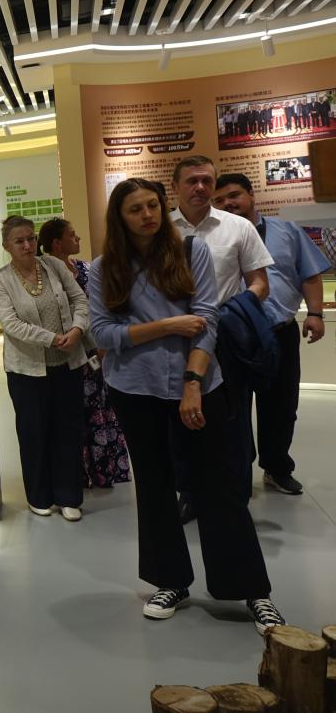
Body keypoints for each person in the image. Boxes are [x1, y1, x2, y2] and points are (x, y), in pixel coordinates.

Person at [88, 178, 284, 634]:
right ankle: (170, 581)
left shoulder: (190, 251)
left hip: (198, 383)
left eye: (152, 205)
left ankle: (252, 590)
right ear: (120, 218)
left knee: (220, 485)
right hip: (134, 389)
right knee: (155, 487)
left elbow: (207, 320)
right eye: (135, 209)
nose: (147, 215)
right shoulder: (103, 269)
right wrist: (167, 325)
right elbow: (102, 333)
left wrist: (193, 382)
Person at [213, 173, 330, 495]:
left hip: (278, 332)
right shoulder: (212, 237)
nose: (227, 204)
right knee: (232, 409)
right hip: (230, 337)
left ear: (252, 195)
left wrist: (316, 314)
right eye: (219, 200)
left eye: (234, 195)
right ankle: (237, 474)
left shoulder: (286, 231)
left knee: (281, 405)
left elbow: (309, 274)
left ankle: (277, 468)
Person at [170, 156, 273, 516]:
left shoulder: (237, 227)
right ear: (175, 187)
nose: (200, 187)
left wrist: (231, 312)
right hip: (175, 338)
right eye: (191, 181)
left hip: (226, 338)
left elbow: (260, 283)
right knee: (181, 419)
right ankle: (190, 493)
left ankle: (235, 494)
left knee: (233, 418)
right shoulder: (161, 231)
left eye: (206, 181)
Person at [0, 215, 89, 521]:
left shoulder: (54, 266)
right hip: (27, 371)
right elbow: (11, 324)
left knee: (68, 430)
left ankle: (68, 496)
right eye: (19, 241)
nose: (27, 245)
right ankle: (39, 496)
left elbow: (80, 300)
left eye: (31, 238)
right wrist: (52, 339)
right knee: (34, 432)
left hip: (67, 363)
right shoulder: (1, 280)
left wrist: (77, 330)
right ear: (6, 246)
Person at [37, 218, 131, 489]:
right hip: (66, 353)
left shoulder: (87, 269)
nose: (77, 238)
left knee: (100, 408)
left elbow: (102, 306)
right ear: (57, 243)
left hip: (97, 352)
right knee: (71, 414)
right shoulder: (44, 274)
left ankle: (105, 469)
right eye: (72, 235)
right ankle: (76, 474)